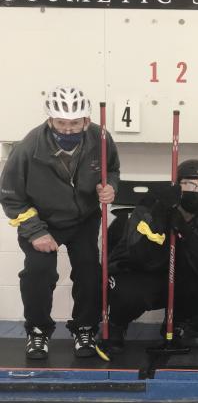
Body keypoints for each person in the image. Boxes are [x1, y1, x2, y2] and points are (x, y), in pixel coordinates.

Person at [0, 86, 120, 359]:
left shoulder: (100, 138)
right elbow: (10, 196)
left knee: (90, 271)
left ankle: (85, 328)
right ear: (50, 119)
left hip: (84, 219)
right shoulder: (29, 146)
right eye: (61, 123)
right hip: (42, 221)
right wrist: (36, 232)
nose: (67, 129)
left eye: (74, 123)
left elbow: (112, 168)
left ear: (86, 120)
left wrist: (110, 186)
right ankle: (38, 331)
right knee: (38, 274)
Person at [107, 159, 198, 351]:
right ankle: (115, 326)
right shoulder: (149, 207)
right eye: (189, 184)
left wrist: (185, 231)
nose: (195, 191)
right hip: (138, 271)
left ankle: (177, 325)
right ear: (178, 185)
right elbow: (140, 255)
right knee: (131, 294)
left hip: (176, 274)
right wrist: (162, 215)